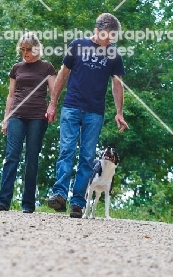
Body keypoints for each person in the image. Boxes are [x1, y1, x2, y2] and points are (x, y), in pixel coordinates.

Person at [46, 13, 128, 218]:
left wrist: (119, 112)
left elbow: (117, 85)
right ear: (97, 30)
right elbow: (63, 74)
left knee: (86, 157)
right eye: (108, 36)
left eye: (113, 37)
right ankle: (59, 195)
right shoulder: (77, 45)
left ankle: (78, 203)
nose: (110, 40)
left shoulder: (114, 54)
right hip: (71, 107)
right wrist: (53, 103)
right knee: (66, 151)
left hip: (95, 112)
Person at [0, 32, 56, 213]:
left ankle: (28, 204)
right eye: (22, 50)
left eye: (28, 49)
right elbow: (11, 95)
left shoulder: (47, 67)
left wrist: (53, 107)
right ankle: (3, 201)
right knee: (11, 156)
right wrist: (6, 119)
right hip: (16, 116)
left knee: (31, 159)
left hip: (38, 116)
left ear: (36, 48)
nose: (25, 53)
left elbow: (53, 92)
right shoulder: (16, 68)